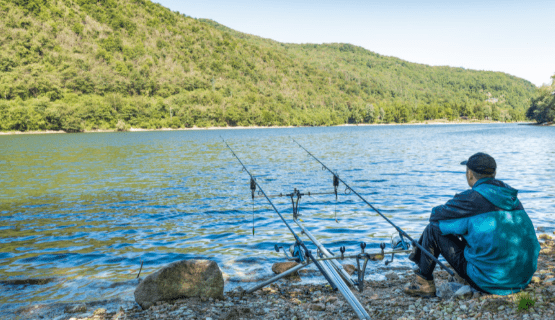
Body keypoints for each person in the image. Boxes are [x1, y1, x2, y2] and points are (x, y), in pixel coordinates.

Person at [404, 152, 540, 297]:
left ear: (469, 174)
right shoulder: (509, 196)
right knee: (465, 229)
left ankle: (424, 283)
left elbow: (435, 216)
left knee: (433, 230)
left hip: (491, 281)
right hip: (522, 278)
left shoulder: (470, 198)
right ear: (494, 173)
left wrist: (456, 215)